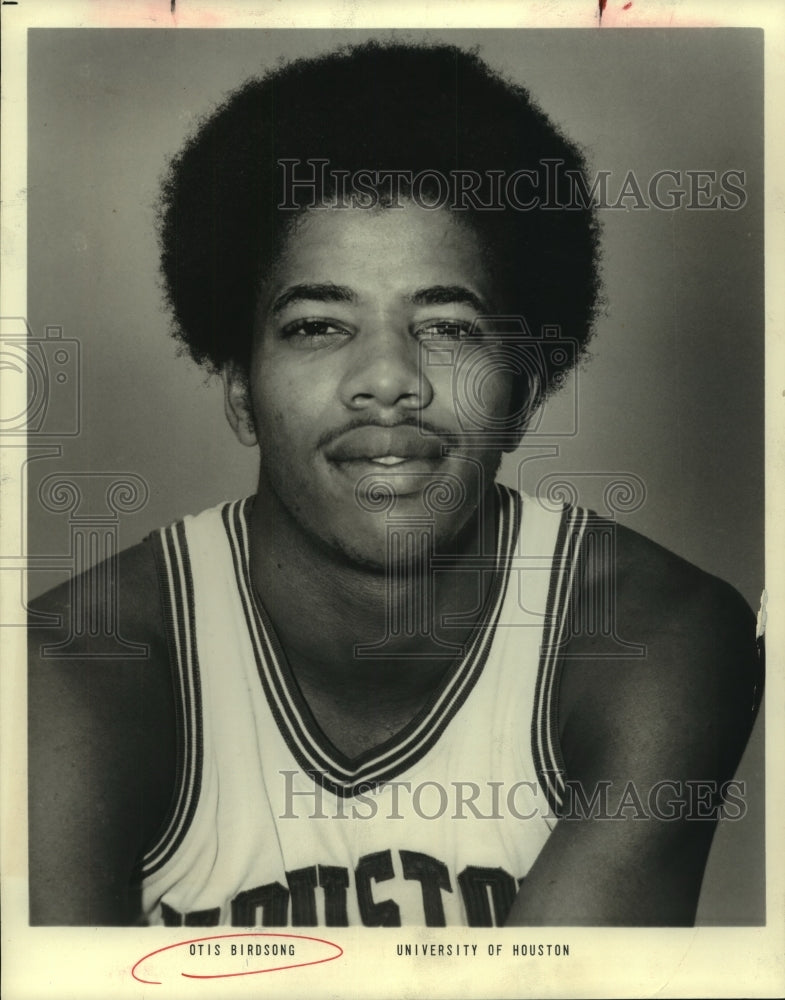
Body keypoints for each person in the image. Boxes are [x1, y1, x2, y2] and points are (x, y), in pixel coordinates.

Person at [28, 40, 762, 928]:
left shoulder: (657, 637)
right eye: (317, 325)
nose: (386, 379)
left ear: (524, 392)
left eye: (446, 326)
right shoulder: (70, 668)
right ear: (239, 393)